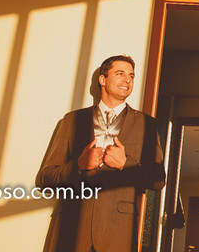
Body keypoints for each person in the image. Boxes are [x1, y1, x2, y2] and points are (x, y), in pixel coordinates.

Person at [36, 55, 165, 252]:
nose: (127, 80)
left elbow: (158, 181)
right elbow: (45, 178)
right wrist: (78, 165)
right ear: (102, 80)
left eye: (131, 75)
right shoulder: (72, 121)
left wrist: (125, 164)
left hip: (117, 234)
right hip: (70, 229)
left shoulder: (147, 125)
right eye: (120, 73)